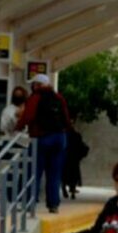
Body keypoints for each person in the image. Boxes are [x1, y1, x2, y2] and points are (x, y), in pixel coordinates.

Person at [15, 74, 71, 213]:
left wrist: (18, 126)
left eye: (34, 84)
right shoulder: (58, 97)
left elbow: (28, 116)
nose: (32, 86)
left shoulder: (35, 97)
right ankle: (53, 205)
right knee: (54, 173)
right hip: (60, 138)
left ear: (37, 85)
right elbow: (66, 118)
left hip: (42, 138)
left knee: (34, 172)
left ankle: (29, 203)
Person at [62, 119, 88, 200]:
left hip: (69, 159)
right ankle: (71, 191)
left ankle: (68, 190)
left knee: (67, 176)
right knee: (71, 176)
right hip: (71, 159)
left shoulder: (66, 135)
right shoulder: (74, 135)